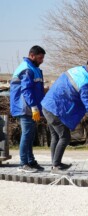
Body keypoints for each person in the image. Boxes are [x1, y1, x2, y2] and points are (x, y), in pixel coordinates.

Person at [41, 58, 88, 175]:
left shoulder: (77, 70)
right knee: (65, 137)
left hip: (48, 105)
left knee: (55, 137)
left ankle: (55, 163)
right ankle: (56, 166)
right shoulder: (86, 82)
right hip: (55, 110)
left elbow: (71, 89)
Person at [10, 45, 46, 173]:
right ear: (32, 55)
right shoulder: (27, 69)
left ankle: (30, 161)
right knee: (26, 135)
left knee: (30, 135)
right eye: (40, 58)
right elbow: (26, 90)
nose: (42, 60)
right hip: (25, 107)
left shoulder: (33, 68)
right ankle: (23, 163)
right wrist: (34, 107)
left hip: (30, 107)